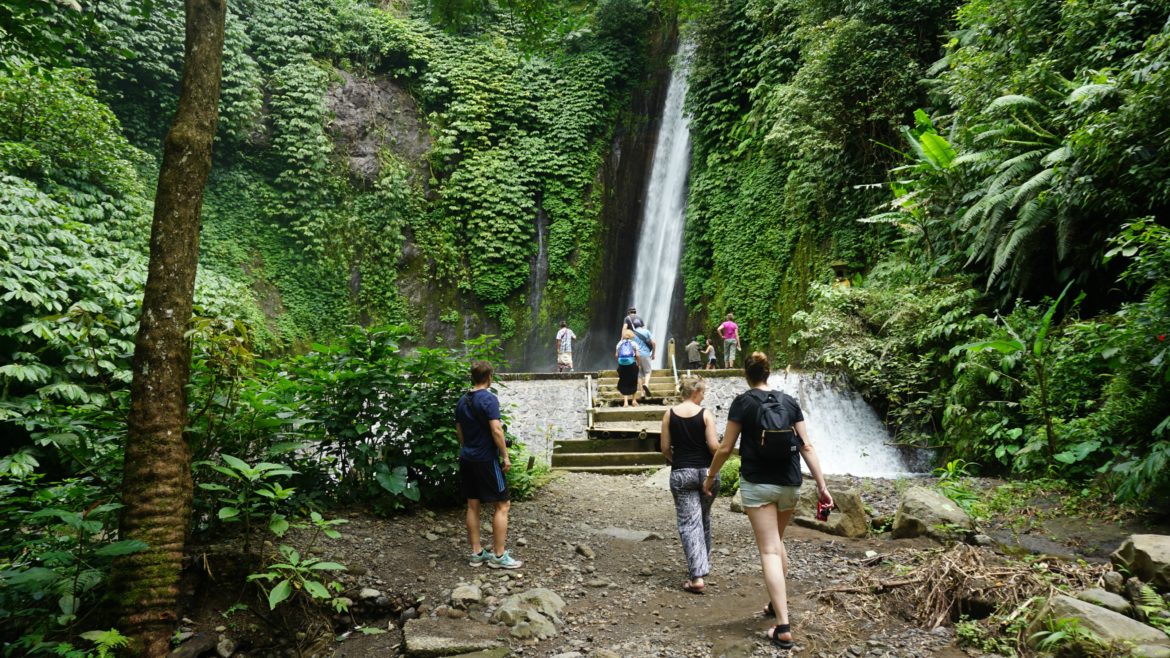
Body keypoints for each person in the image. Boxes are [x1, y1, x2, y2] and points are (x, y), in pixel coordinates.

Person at [704, 352, 832, 650]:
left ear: (745, 374)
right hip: (789, 484)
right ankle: (776, 606)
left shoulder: (743, 402)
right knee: (778, 543)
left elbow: (725, 448)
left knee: (770, 551)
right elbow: (806, 446)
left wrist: (710, 476)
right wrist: (823, 486)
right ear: (768, 372)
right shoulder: (789, 402)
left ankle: (783, 626)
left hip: (758, 484)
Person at [455, 360, 523, 569]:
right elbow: (496, 430)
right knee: (503, 504)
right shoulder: (489, 399)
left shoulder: (462, 400)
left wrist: (468, 448)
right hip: (486, 459)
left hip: (467, 457)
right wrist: (505, 456)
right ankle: (499, 556)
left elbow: (459, 431)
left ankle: (476, 553)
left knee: (472, 505)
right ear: (489, 378)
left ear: (473, 377)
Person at [660, 376, 719, 594]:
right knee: (703, 518)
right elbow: (714, 447)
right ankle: (703, 565)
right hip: (707, 474)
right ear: (695, 392)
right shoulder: (705, 414)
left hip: (682, 473)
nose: (704, 396)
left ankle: (697, 576)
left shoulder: (669, 414)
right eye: (703, 392)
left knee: (689, 523)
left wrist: (677, 462)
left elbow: (665, 447)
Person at [631, 319, 656, 398]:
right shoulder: (646, 331)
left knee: (639, 375)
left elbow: (631, 345)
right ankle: (646, 384)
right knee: (648, 371)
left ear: (634, 326)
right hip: (645, 354)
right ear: (641, 325)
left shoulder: (632, 334)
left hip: (636, 355)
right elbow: (653, 343)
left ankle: (641, 393)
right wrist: (653, 353)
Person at [615, 329, 640, 406]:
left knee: (624, 381)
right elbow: (638, 355)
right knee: (634, 381)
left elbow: (616, 355)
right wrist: (638, 364)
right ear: (632, 336)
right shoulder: (634, 343)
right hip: (632, 364)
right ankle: (634, 401)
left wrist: (619, 362)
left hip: (622, 365)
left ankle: (625, 402)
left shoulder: (619, 343)